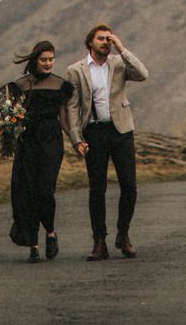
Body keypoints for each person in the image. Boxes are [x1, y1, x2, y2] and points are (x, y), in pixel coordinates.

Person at [64, 24, 149, 260]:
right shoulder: (76, 70)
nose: (106, 42)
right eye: (101, 38)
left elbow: (143, 74)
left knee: (129, 186)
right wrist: (75, 138)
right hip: (94, 132)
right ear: (90, 42)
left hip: (121, 131)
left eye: (109, 39)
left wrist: (122, 49)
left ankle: (123, 235)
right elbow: (72, 106)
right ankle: (99, 241)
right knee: (97, 190)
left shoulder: (119, 63)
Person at [5, 40, 73, 263]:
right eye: (44, 59)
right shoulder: (21, 85)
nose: (48, 63)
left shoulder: (61, 85)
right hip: (28, 143)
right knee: (29, 194)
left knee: (45, 191)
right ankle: (33, 245)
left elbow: (64, 118)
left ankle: (51, 233)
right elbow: (11, 115)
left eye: (51, 59)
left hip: (51, 141)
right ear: (35, 60)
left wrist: (76, 140)